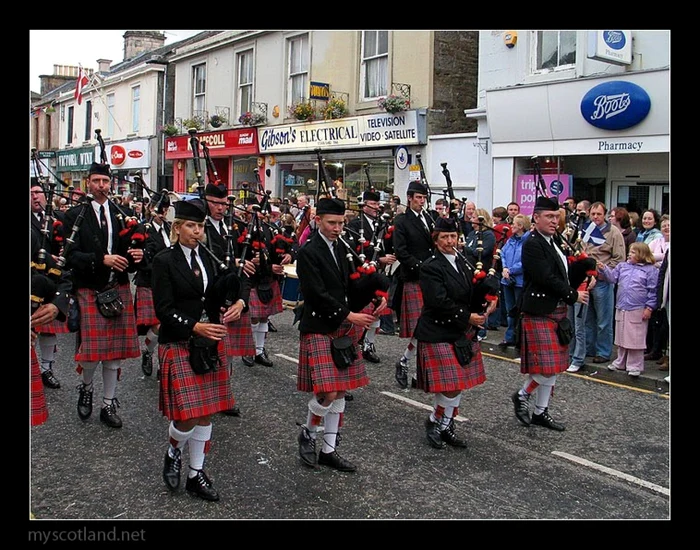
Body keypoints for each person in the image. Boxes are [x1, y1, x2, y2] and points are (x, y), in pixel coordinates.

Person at [152, 198, 248, 501]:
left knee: (206, 412)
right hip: (179, 340)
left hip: (209, 342)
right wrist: (195, 326)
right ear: (178, 228)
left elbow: (236, 283)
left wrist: (239, 302)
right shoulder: (164, 261)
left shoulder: (209, 257)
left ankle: (195, 474)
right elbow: (163, 309)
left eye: (201, 227)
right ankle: (173, 450)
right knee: (187, 416)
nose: (197, 232)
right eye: (191, 226)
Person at [295, 197, 388, 471]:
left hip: (343, 326)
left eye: (340, 223)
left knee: (341, 390)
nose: (337, 228)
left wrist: (379, 293)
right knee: (328, 391)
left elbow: (355, 282)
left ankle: (329, 449)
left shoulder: (343, 247)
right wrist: (350, 315)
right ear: (318, 220)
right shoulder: (309, 252)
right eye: (331, 223)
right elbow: (316, 294)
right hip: (320, 325)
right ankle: (309, 433)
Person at [61, 161, 146, 428]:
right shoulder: (75, 215)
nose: (101, 186)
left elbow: (131, 252)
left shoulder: (122, 213)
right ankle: (86, 387)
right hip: (89, 287)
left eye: (105, 182)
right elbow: (70, 256)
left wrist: (136, 256)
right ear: (88, 183)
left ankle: (108, 404)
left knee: (115, 354)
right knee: (92, 353)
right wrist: (102, 260)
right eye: (97, 181)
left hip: (117, 287)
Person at [511, 196, 590, 431]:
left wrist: (587, 267)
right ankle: (522, 395)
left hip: (555, 310)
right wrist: (573, 295)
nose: (555, 221)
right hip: (538, 310)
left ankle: (540, 412)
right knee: (547, 367)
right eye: (549, 217)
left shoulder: (553, 240)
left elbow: (563, 274)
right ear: (535, 218)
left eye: (557, 217)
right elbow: (545, 277)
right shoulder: (532, 243)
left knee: (553, 367)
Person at [414, 216, 490, 449]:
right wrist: (468, 316)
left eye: (453, 237)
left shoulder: (464, 261)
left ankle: (444, 424)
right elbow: (438, 300)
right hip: (437, 329)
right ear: (435, 240)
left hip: (459, 331)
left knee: (457, 384)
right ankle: (436, 421)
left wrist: (488, 299)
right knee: (450, 384)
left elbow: (473, 291)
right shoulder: (430, 266)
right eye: (445, 237)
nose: (450, 241)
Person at [202, 182, 255, 416]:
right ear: (206, 201)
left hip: (232, 300)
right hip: (208, 299)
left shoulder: (231, 229)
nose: (221, 208)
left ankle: (224, 395)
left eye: (224, 203)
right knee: (206, 351)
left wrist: (242, 302)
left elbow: (242, 272)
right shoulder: (199, 228)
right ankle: (205, 395)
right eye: (216, 203)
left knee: (228, 353)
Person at [391, 181, 435, 389]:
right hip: (414, 276)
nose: (421, 201)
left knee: (427, 327)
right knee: (420, 327)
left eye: (423, 197)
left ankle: (411, 365)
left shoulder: (429, 217)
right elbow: (400, 251)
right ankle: (407, 362)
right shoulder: (402, 220)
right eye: (418, 197)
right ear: (409, 198)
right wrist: (421, 267)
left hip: (432, 279)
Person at [346, 189, 397, 363]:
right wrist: (380, 258)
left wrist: (388, 256)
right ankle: (357, 341)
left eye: (378, 204)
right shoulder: (355, 224)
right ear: (364, 204)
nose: (376, 207)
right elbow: (355, 250)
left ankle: (369, 344)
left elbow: (386, 244)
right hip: (362, 273)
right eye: (373, 204)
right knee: (364, 310)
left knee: (378, 310)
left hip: (379, 273)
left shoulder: (380, 224)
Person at [597, 242, 658, 377]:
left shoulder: (650, 270)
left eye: (633, 252)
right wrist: (604, 269)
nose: (630, 254)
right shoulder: (623, 266)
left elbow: (652, 291)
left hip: (638, 307)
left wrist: (649, 307)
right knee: (622, 336)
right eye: (630, 251)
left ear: (642, 254)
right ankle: (621, 361)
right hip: (622, 306)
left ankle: (635, 364)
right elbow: (612, 278)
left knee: (635, 337)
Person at [31, 178, 66, 389]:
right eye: (31, 193)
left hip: (50, 278)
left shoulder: (55, 219)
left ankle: (46, 368)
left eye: (38, 192)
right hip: (33, 276)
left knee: (48, 328)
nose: (35, 196)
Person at [583, 201, 626, 365]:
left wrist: (604, 271)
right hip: (586, 280)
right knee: (588, 319)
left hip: (602, 281)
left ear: (605, 215)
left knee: (603, 320)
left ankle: (603, 352)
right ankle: (589, 348)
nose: (595, 217)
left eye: (599, 214)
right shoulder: (587, 230)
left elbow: (619, 259)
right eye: (593, 214)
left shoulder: (614, 233)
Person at [135, 193, 172, 377]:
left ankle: (161, 365)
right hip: (149, 282)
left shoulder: (170, 228)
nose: (163, 213)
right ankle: (148, 352)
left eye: (166, 209)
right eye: (160, 209)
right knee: (158, 325)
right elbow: (141, 259)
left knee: (167, 325)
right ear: (151, 209)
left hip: (168, 284)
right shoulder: (144, 229)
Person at [565, 200, 593, 373]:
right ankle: (569, 355)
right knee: (570, 325)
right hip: (571, 289)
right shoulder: (571, 255)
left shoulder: (586, 260)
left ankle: (578, 358)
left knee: (580, 326)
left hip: (582, 290)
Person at [498, 214, 530, 349]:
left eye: (514, 224)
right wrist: (505, 268)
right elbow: (503, 253)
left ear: (521, 226)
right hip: (507, 280)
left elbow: (525, 261)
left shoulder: (527, 241)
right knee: (509, 310)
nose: (511, 226)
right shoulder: (510, 240)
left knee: (520, 311)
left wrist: (511, 270)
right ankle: (510, 336)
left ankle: (520, 339)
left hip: (519, 281)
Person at [646, 215, 670, 365]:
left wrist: (658, 259)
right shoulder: (656, 241)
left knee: (666, 324)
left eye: (669, 225)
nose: (666, 228)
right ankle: (655, 351)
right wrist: (663, 258)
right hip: (657, 285)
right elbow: (646, 256)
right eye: (664, 226)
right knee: (657, 321)